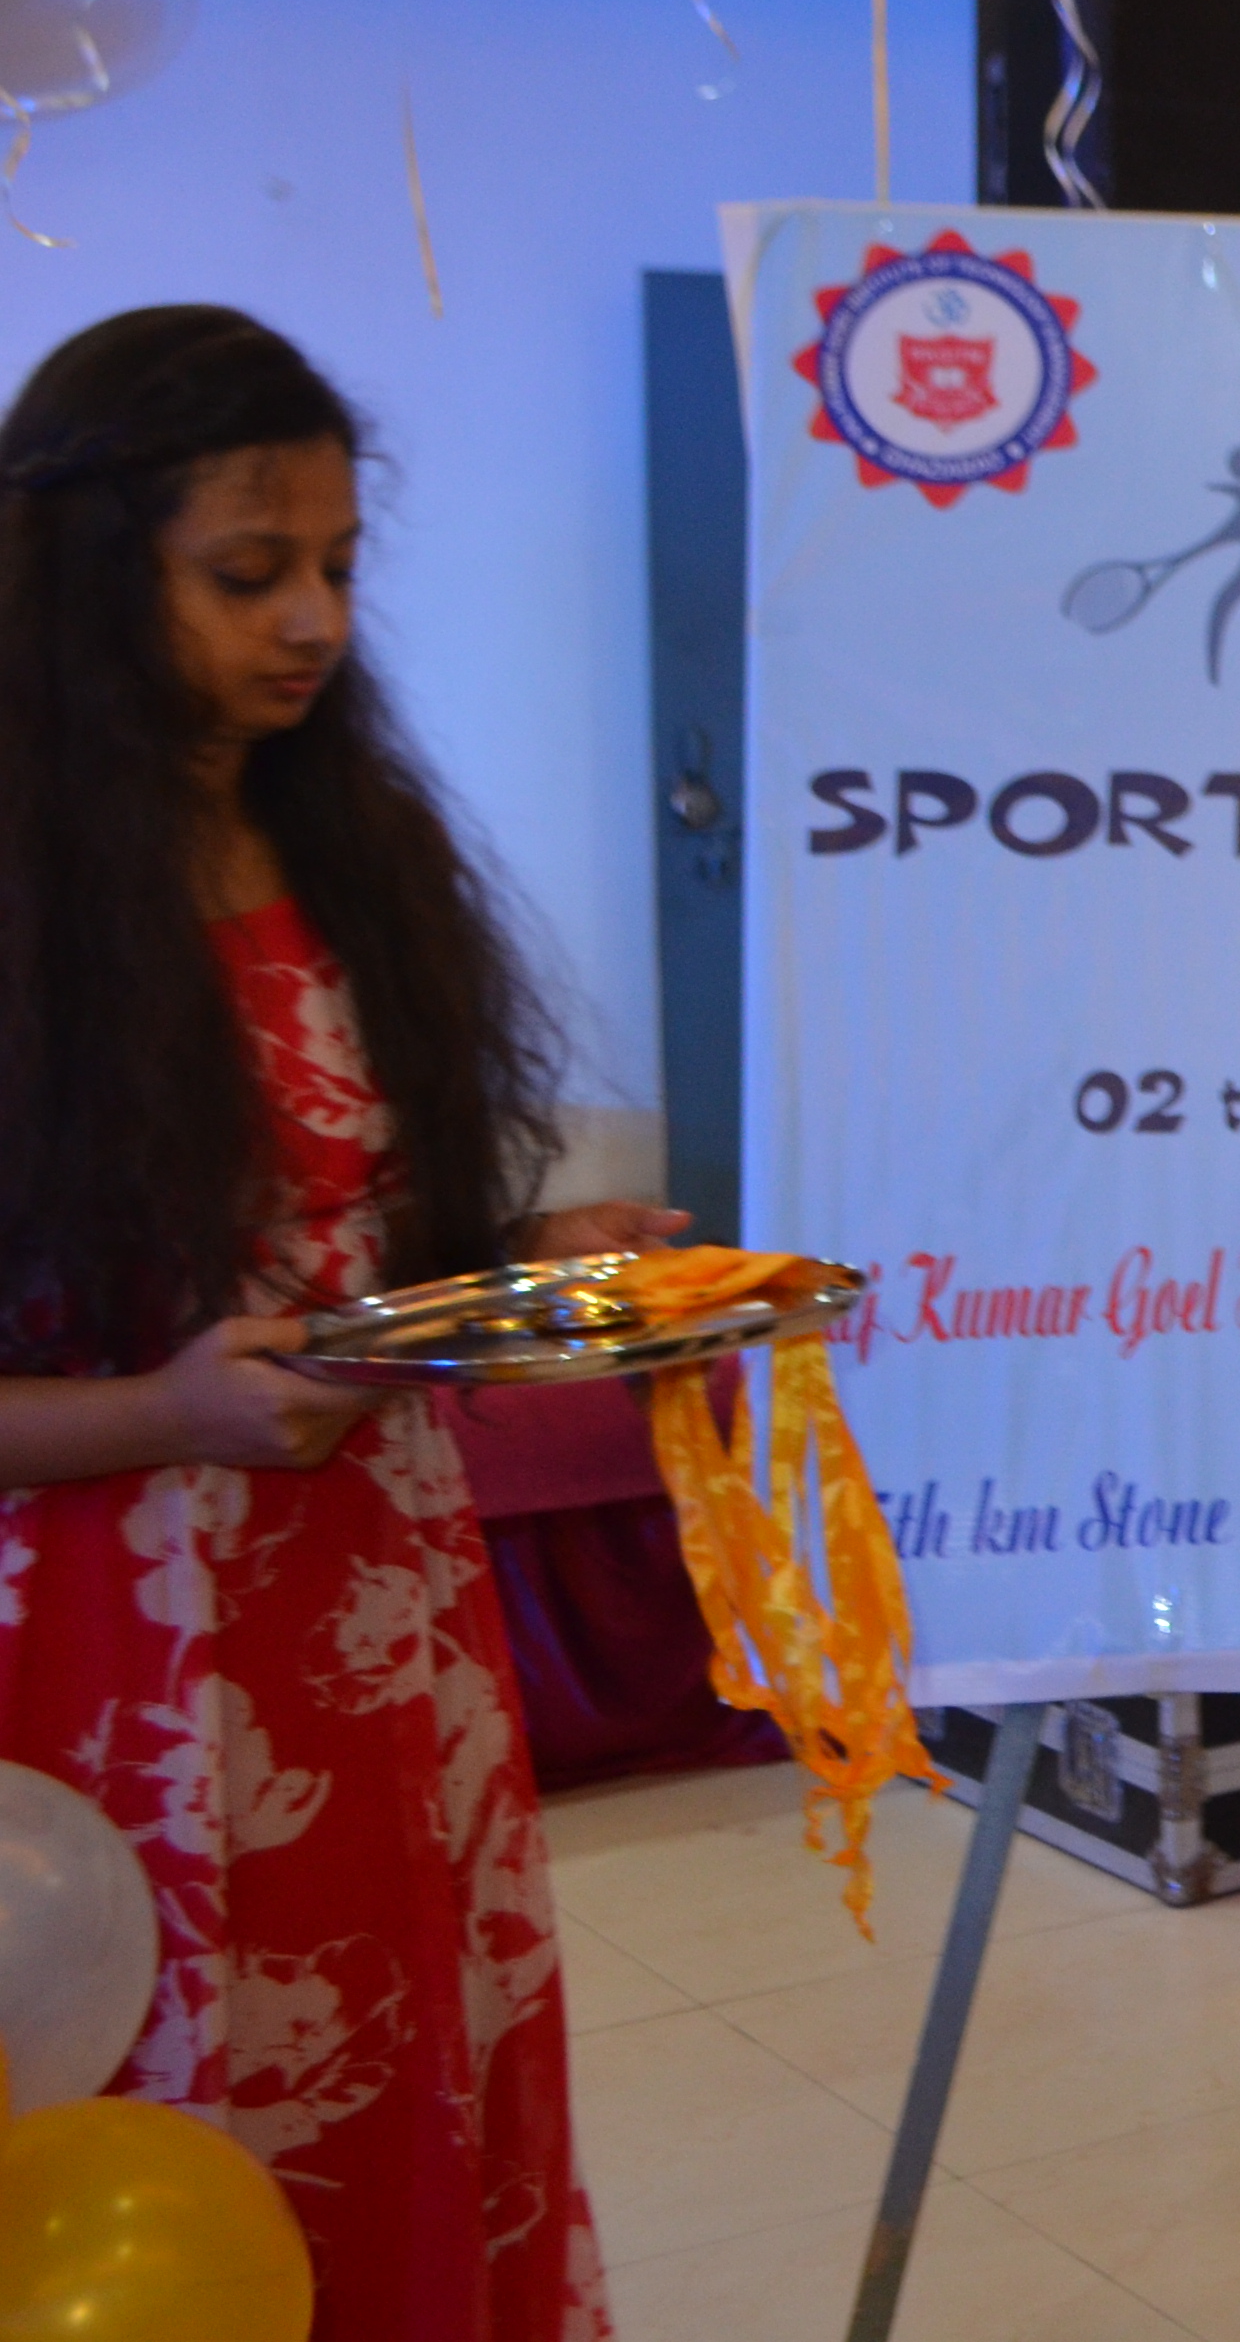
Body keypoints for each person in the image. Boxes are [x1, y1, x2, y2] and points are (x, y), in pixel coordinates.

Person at [0, 305, 672, 2342]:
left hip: (377, 1620)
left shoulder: (346, 850)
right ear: (82, 574)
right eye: (247, 573)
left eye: (337, 567)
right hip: (96, 1657)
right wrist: (160, 1413)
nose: (313, 623)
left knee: (401, 2094)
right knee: (163, 2123)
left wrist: (532, 1265)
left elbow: (356, 1255)